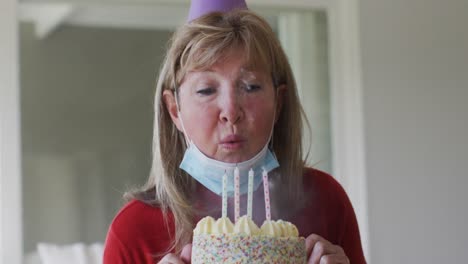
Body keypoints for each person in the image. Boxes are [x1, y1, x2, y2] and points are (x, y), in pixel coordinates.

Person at [103, 1, 366, 263]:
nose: (231, 111)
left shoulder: (326, 201)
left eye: (251, 86)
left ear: (279, 101)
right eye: (206, 90)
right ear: (175, 110)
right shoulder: (134, 230)